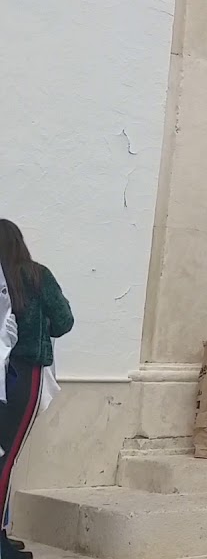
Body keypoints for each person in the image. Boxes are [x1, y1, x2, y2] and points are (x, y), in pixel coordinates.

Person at [0, 220, 74, 559]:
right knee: (6, 456)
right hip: (22, 373)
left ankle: (3, 531)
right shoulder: (35, 275)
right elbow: (64, 321)